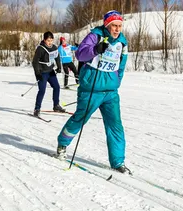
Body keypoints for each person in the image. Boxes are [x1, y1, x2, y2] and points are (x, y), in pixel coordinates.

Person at [56, 10, 130, 174]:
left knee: (115, 126)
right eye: (114, 26)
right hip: (91, 89)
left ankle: (118, 162)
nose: (117, 29)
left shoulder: (123, 42)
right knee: (80, 119)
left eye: (119, 26)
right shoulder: (95, 36)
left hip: (111, 91)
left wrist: (117, 81)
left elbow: (122, 65)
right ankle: (62, 143)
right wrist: (96, 49)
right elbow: (80, 54)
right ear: (107, 25)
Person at [32, 31, 66, 116]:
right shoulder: (40, 48)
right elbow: (35, 62)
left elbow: (57, 57)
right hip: (42, 72)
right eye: (48, 40)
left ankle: (56, 105)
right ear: (44, 40)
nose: (50, 42)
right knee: (42, 90)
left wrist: (59, 67)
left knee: (57, 87)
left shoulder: (54, 47)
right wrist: (37, 73)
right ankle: (37, 108)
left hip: (50, 71)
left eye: (51, 40)